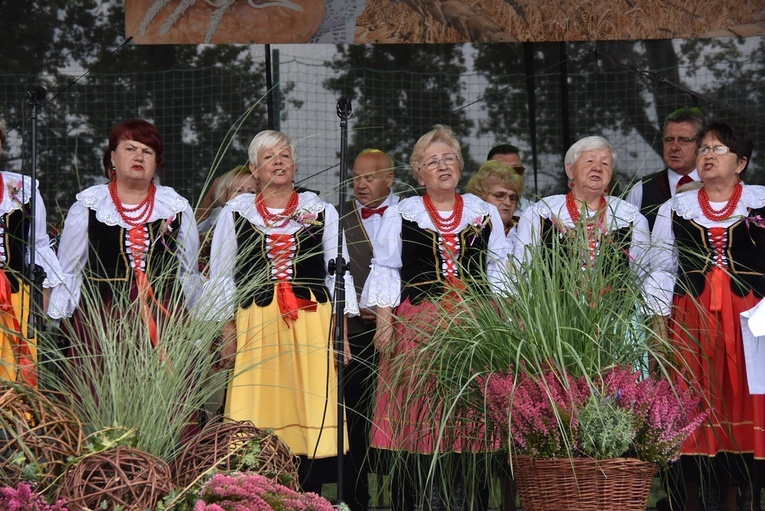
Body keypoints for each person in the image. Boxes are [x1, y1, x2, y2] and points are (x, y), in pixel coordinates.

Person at [362, 125, 509, 511]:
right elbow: (386, 269)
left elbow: (500, 271)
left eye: (448, 158)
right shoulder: (402, 213)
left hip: (476, 325)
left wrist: (506, 327)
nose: (442, 166)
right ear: (419, 173)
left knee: (469, 415)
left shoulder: (484, 211)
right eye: (432, 161)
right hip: (418, 326)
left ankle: (465, 499)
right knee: (422, 415)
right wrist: (383, 324)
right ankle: (424, 498)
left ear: (460, 166)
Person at [204, 129, 358, 493]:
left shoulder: (321, 210)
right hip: (256, 322)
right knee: (258, 408)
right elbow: (222, 276)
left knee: (308, 407)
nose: (278, 162)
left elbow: (339, 273)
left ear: (296, 165)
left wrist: (341, 337)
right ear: (255, 169)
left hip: (310, 322)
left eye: (285, 155)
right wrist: (227, 335)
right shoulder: (235, 212)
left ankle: (308, 495)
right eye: (269, 156)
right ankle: (258, 493)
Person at [648, 122, 764, 511]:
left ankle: (750, 498)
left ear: (741, 163)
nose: (708, 155)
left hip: (752, 319)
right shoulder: (674, 208)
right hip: (693, 318)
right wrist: (657, 324)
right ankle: (708, 498)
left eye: (719, 149)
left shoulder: (762, 202)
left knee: (747, 399)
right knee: (701, 403)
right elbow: (660, 268)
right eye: (705, 149)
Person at [48, 119, 200, 339]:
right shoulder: (89, 205)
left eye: (147, 151)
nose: (139, 156)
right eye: (130, 149)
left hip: (165, 315)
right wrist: (63, 316)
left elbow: (188, 271)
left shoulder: (176, 206)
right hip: (101, 317)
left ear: (156, 161)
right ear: (112, 158)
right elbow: (70, 270)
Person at [341, 148, 399, 511]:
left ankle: (405, 497)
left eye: (369, 177)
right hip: (355, 332)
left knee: (399, 416)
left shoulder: (410, 214)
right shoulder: (339, 216)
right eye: (356, 177)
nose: (360, 184)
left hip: (401, 331)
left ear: (389, 178)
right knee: (355, 416)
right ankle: (355, 500)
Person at [513, 135, 650, 283]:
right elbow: (521, 272)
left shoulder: (630, 218)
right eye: (590, 161)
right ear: (570, 170)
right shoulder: (540, 213)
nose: (597, 168)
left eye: (605, 164)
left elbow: (641, 279)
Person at [0, 121, 63, 387]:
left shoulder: (21, 187)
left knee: (16, 375)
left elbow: (37, 245)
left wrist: (43, 296)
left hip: (15, 297)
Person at [626, 107, 706, 231]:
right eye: (668, 140)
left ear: (701, 144)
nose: (674, 147)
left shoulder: (717, 185)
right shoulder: (642, 190)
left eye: (684, 140)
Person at [467, 159, 524, 255]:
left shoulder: (524, 228)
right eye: (499, 195)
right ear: (480, 197)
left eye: (512, 198)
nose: (508, 203)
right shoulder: (466, 230)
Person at [195, 165, 258, 231]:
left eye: (252, 192)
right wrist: (210, 196)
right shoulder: (218, 215)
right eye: (238, 190)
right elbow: (195, 229)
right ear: (225, 195)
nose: (245, 195)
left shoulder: (262, 218)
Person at [488, 143, 533, 214]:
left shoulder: (539, 213)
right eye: (502, 170)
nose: (511, 175)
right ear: (487, 176)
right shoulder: (471, 212)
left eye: (517, 170)